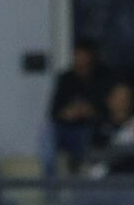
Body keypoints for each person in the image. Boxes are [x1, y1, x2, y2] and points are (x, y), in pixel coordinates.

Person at [45, 39, 110, 176]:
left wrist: (89, 111)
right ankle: (49, 180)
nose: (81, 59)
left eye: (83, 55)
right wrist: (68, 113)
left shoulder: (103, 77)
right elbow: (54, 112)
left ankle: (82, 170)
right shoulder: (66, 78)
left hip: (92, 128)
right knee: (46, 132)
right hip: (67, 128)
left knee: (87, 135)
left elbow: (108, 110)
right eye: (77, 55)